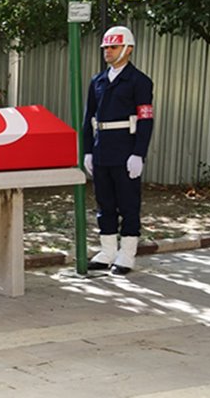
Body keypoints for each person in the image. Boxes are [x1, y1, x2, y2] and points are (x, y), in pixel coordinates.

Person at [82, 25, 154, 276]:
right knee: (105, 203)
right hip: (102, 149)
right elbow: (88, 118)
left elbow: (145, 119)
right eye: (106, 47)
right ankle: (108, 251)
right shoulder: (97, 81)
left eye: (113, 47)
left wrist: (139, 153)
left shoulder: (139, 81)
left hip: (125, 150)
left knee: (128, 203)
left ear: (128, 49)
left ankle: (127, 253)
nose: (108, 51)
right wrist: (88, 151)